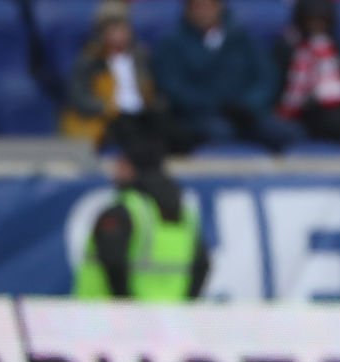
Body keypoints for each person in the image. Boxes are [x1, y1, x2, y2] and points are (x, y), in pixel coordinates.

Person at [74, 120, 209, 300]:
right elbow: (202, 265)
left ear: (131, 168)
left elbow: (113, 262)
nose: (115, 169)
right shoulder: (185, 213)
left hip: (103, 320)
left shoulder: (125, 211)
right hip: (167, 321)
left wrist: (127, 307)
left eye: (121, 162)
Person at [151, 0, 302, 152]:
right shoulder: (172, 43)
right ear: (187, 10)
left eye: (209, 6)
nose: (203, 12)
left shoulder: (242, 38)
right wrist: (214, 105)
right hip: (201, 116)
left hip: (246, 113)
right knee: (219, 133)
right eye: (197, 7)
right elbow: (172, 85)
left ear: (220, 7)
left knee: (286, 133)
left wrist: (249, 104)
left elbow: (266, 77)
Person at [274, 0, 340, 149]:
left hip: (337, 107)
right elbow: (286, 90)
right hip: (303, 110)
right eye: (312, 21)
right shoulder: (288, 46)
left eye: (321, 21)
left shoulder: (333, 44)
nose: (317, 26)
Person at [60, 1, 158, 146]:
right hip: (108, 119)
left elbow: (153, 91)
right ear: (101, 33)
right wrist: (105, 108)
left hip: (141, 116)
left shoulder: (142, 57)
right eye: (112, 28)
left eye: (122, 27)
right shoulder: (90, 61)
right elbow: (79, 97)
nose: (118, 33)